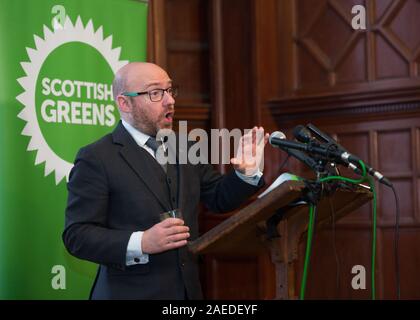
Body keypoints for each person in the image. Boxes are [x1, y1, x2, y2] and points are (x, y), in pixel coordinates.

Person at [62, 62, 269, 300]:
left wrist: (246, 173)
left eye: (170, 90)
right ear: (125, 103)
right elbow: (77, 236)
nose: (169, 100)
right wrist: (142, 242)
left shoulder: (185, 146)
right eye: (155, 93)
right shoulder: (97, 157)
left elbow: (218, 197)